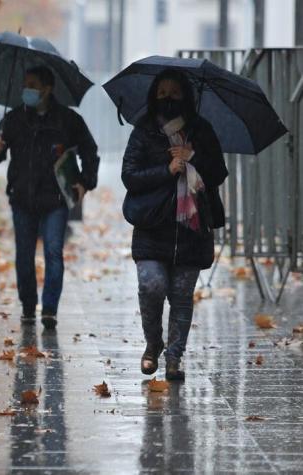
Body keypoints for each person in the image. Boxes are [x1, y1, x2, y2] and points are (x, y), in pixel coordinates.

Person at [122, 69, 227, 381]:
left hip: (191, 229)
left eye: (175, 93)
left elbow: (218, 173)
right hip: (152, 225)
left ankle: (174, 359)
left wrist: (194, 157)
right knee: (151, 286)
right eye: (162, 93)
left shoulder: (202, 130)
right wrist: (167, 169)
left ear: (186, 97)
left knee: (181, 297)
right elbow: (130, 176)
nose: (168, 99)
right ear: (154, 95)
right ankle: (153, 344)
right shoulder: (144, 131)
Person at [0, 66, 99, 330]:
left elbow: (90, 151)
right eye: (25, 84)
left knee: (53, 252)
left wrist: (85, 182)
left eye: (33, 85)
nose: (27, 90)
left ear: (47, 89)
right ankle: (27, 306)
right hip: (22, 198)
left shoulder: (68, 120)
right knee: (24, 256)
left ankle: (49, 309)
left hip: (55, 199)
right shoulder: (13, 120)